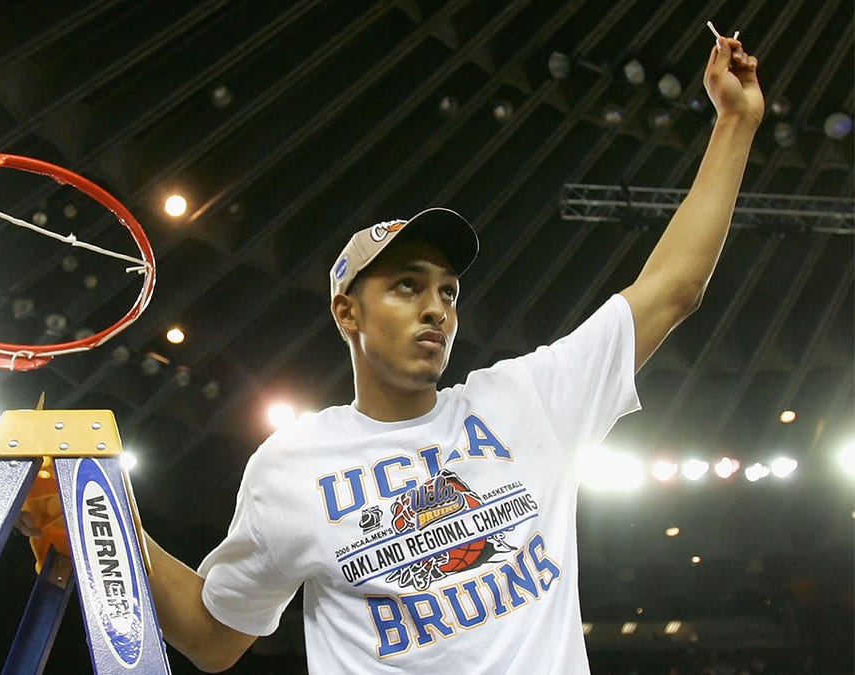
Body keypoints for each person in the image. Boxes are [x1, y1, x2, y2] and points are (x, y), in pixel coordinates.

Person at [143, 34, 763, 673]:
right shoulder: (292, 468)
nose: (436, 307)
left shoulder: (529, 402)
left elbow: (673, 288)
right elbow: (214, 638)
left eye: (448, 290)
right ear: (346, 311)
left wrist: (736, 123)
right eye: (406, 285)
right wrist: (100, 515)